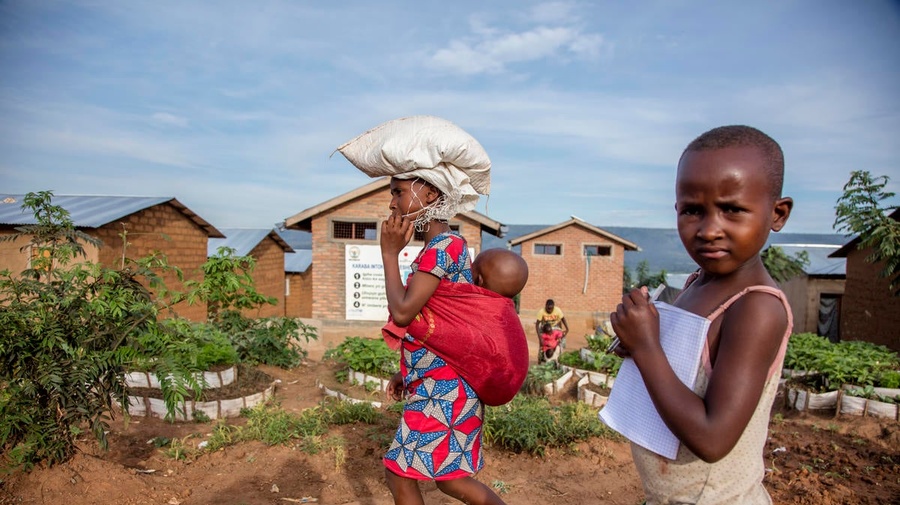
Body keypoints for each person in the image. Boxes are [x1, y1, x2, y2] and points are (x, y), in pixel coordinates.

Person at [609, 125, 794, 504]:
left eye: (732, 209)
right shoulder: (696, 284)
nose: (709, 230)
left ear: (777, 214)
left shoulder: (756, 307)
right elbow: (680, 371)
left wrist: (646, 348)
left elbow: (713, 438)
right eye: (693, 210)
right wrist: (635, 337)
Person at [337, 115, 506, 505]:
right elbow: (435, 325)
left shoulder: (446, 246)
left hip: (445, 392)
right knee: (449, 481)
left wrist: (388, 252)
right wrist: (406, 372)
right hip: (437, 386)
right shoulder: (441, 248)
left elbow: (402, 313)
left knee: (400, 473)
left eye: (398, 192)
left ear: (429, 194)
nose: (392, 202)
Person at [380, 247, 530, 407]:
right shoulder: (508, 322)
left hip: (443, 414)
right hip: (470, 413)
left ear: (478, 280)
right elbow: (449, 357)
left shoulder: (464, 316)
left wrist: (390, 253)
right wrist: (403, 375)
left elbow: (404, 315)